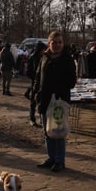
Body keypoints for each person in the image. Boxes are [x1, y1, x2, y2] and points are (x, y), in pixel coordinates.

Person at [32, 31, 77, 172]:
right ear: (49, 43)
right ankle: (51, 157)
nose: (57, 45)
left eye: (59, 42)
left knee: (58, 131)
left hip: (59, 101)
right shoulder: (44, 58)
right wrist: (35, 93)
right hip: (45, 100)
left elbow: (72, 81)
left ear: (63, 44)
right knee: (47, 131)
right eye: (54, 42)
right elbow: (38, 76)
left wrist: (57, 90)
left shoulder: (67, 59)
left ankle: (59, 160)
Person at [24, 42, 46, 126]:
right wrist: (35, 77)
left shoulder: (43, 57)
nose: (44, 51)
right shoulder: (33, 57)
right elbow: (28, 72)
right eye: (43, 49)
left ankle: (41, 118)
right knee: (33, 102)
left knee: (41, 101)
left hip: (42, 82)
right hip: (35, 82)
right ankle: (32, 119)